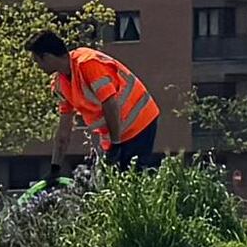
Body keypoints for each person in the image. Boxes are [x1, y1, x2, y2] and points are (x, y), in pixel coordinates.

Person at [32, 26, 165, 182]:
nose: (38, 67)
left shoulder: (88, 63)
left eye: (37, 61)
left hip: (139, 121)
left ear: (47, 57)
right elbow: (64, 129)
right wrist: (55, 167)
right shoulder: (60, 84)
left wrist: (115, 144)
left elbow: (110, 103)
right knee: (112, 184)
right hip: (115, 134)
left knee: (130, 181)